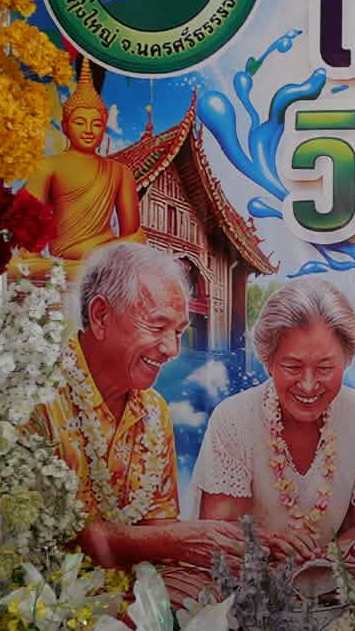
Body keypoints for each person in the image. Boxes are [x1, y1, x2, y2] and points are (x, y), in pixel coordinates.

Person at [39, 240, 241, 597]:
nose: (171, 349)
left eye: (178, 332)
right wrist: (178, 540)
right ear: (101, 316)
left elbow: (158, 526)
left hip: (137, 596)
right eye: (157, 326)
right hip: (47, 602)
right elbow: (65, 534)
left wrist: (229, 544)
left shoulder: (154, 410)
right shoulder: (40, 397)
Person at [190, 275, 355, 592]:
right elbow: (218, 540)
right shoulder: (234, 419)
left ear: (347, 361)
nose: (308, 385)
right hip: (246, 590)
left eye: (325, 368)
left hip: (334, 587)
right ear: (268, 361)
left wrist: (322, 561)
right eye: (293, 367)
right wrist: (267, 542)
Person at [22, 55, 141, 270]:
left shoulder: (119, 172)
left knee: (138, 240)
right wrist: (31, 257)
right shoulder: (48, 166)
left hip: (107, 256)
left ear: (103, 128)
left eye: (96, 124)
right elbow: (26, 224)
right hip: (65, 261)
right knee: (27, 264)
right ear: (65, 126)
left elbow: (132, 237)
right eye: (79, 122)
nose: (88, 130)